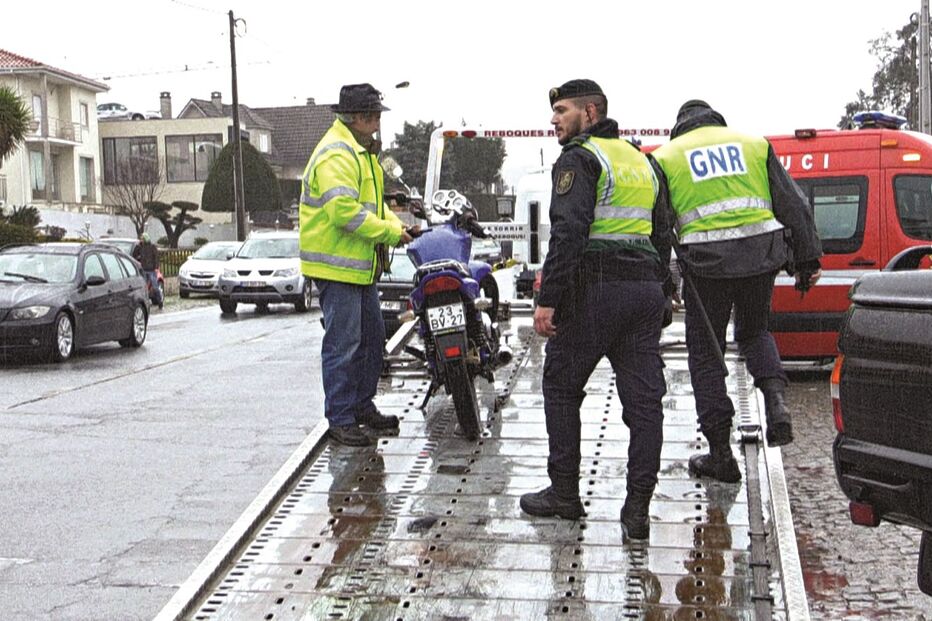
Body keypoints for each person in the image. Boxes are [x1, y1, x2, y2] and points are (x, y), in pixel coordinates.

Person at [518, 79, 673, 541]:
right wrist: (661, 291)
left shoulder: (580, 159)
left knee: (561, 386)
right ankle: (637, 511)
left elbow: (568, 233)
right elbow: (662, 233)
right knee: (645, 406)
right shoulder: (644, 162)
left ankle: (564, 494)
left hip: (594, 291)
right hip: (642, 291)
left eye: (561, 111)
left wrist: (548, 301)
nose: (553, 120)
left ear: (590, 113)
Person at [650, 100, 823, 483]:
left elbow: (659, 230)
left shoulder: (665, 157)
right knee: (755, 332)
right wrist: (807, 261)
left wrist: (662, 283)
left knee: (707, 352)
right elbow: (794, 205)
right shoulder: (754, 145)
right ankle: (777, 406)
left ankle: (720, 454)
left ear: (680, 126)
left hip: (706, 263)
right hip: (761, 254)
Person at [299, 83, 416, 447]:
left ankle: (362, 407)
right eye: (375, 114)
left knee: (371, 340)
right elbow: (343, 212)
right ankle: (341, 417)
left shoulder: (360, 152)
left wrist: (398, 227)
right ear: (359, 118)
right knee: (344, 344)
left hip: (359, 267)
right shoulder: (338, 154)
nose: (379, 120)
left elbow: (372, 206)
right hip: (338, 268)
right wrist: (390, 233)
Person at [133, 233, 163, 309]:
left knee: (155, 287)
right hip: (144, 269)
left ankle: (160, 302)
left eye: (142, 239)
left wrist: (156, 267)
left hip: (152, 270)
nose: (141, 240)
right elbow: (134, 255)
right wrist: (138, 246)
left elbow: (156, 257)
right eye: (141, 239)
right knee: (144, 287)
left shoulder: (152, 246)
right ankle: (146, 304)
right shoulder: (141, 247)